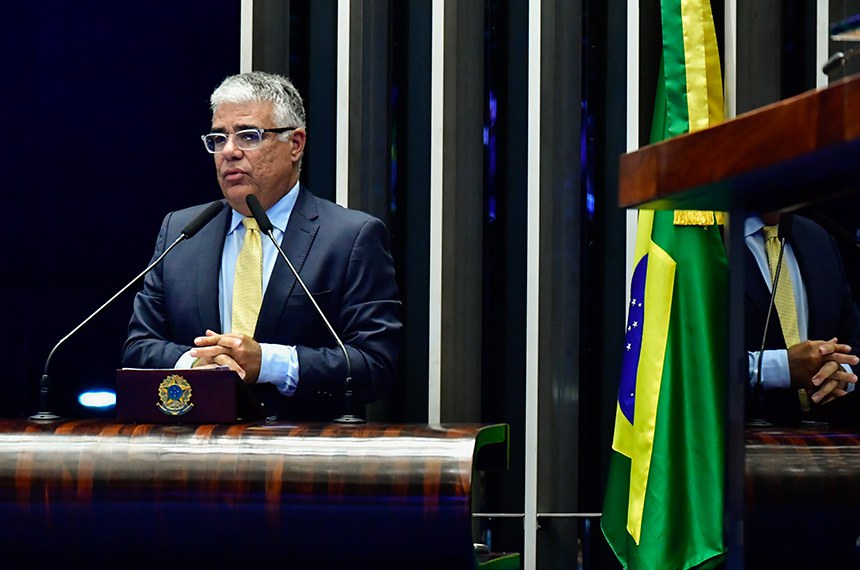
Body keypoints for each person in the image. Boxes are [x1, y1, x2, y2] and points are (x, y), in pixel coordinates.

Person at [123, 71, 402, 421]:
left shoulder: (350, 237)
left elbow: (375, 365)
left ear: (295, 144)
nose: (229, 151)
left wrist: (267, 362)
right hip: (195, 452)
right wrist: (196, 362)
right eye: (218, 138)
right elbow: (138, 348)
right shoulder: (181, 231)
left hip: (301, 457)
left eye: (248, 136)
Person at [745, 212, 860, 424]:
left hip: (821, 442)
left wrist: (841, 373)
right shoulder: (701, 238)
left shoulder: (818, 236)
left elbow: (853, 341)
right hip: (733, 439)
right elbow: (685, 362)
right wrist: (781, 368)